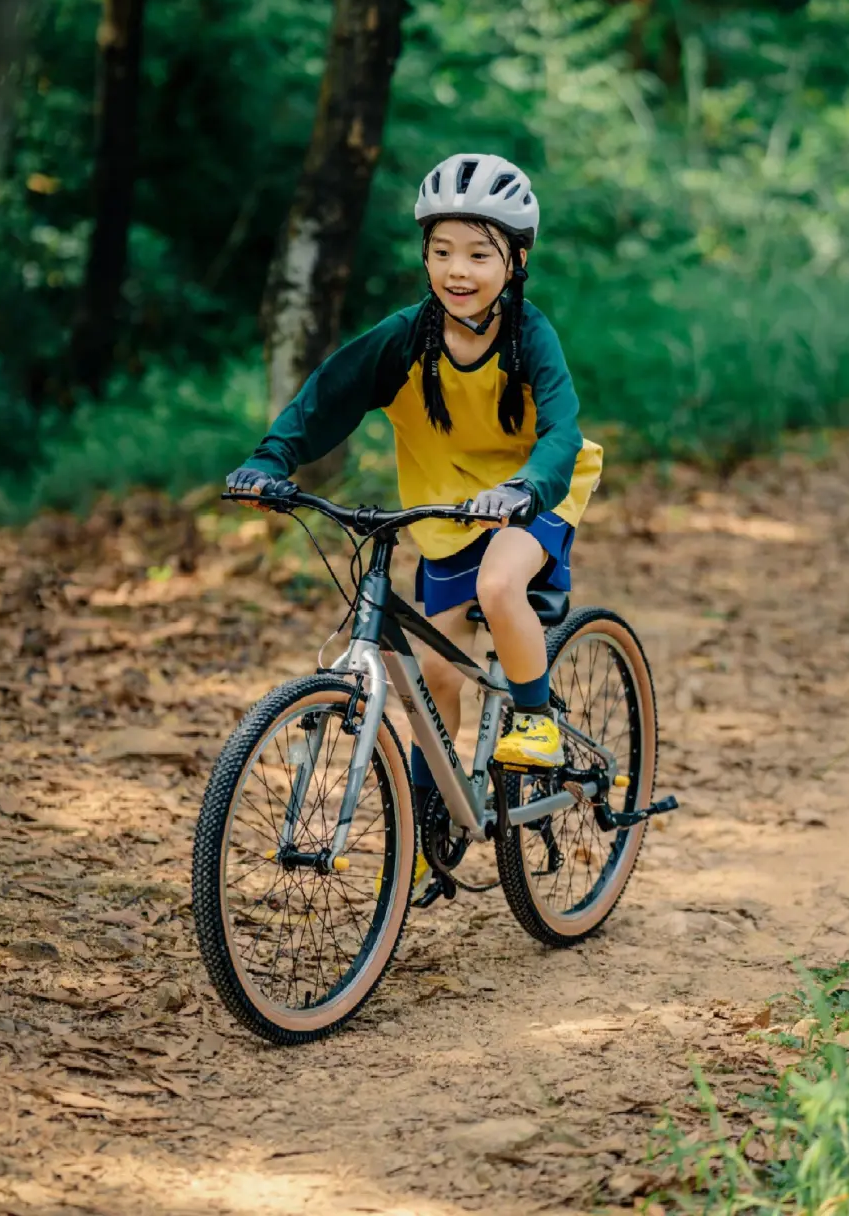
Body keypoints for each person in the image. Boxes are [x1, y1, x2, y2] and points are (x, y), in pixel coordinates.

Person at [227, 152, 602, 896]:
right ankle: (435, 814)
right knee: (433, 676)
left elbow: (561, 430)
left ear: (515, 259)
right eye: (441, 252)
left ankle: (535, 719)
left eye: (478, 254)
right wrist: (274, 459)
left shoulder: (530, 338)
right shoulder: (406, 338)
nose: (457, 270)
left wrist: (527, 485)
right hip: (443, 510)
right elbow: (328, 394)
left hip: (534, 497)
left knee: (501, 587)